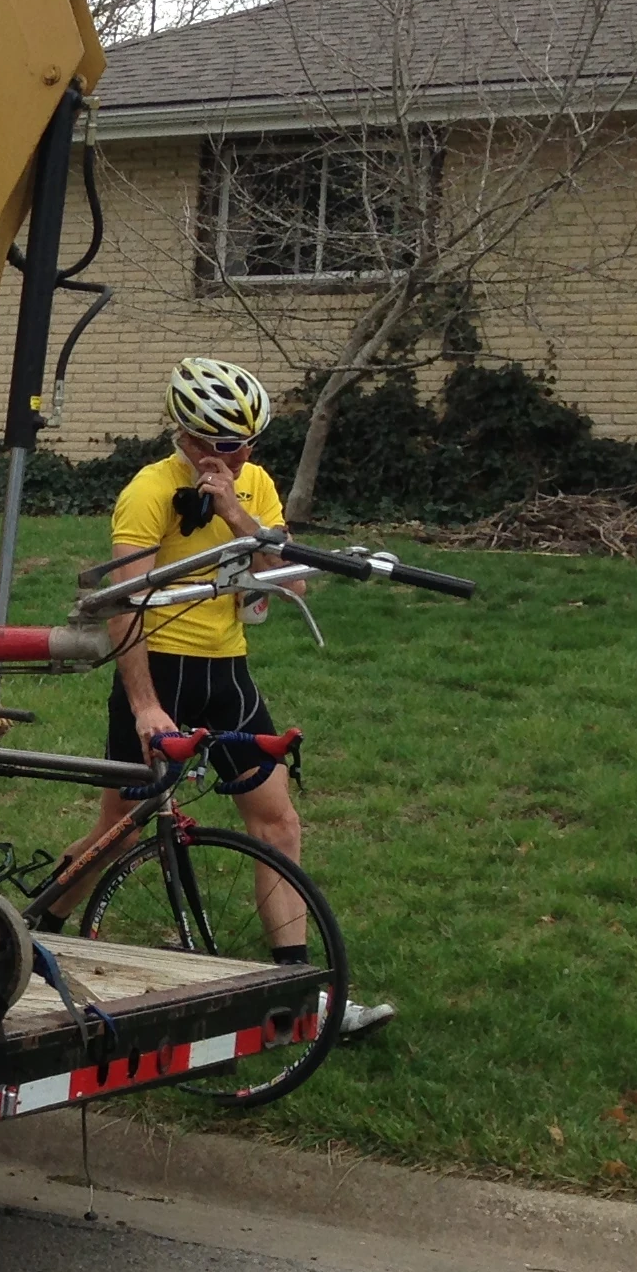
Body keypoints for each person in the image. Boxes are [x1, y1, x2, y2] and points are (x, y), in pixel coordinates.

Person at [92, 355, 391, 1035]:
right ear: (189, 438)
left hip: (227, 672)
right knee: (115, 834)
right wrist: (144, 705)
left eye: (251, 441)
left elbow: (290, 580)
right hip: (159, 669)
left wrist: (232, 507)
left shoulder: (253, 483)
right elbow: (122, 606)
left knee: (278, 823)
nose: (243, 454)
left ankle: (296, 995)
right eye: (227, 444)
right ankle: (35, 933)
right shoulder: (148, 490)